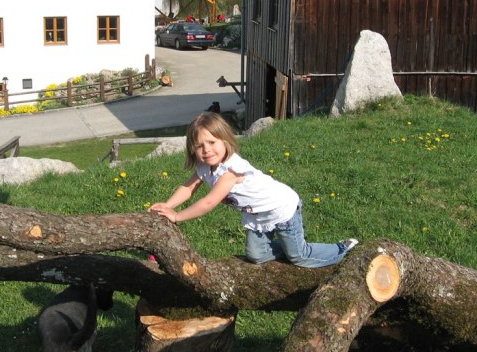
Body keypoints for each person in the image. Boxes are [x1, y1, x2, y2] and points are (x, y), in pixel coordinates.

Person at [149, 112, 358, 268]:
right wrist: (168, 205)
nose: (206, 150)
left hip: (282, 209)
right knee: (256, 256)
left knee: (299, 257)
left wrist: (176, 217)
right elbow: (188, 188)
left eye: (212, 142)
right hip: (259, 216)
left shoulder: (231, 170)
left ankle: (342, 249)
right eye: (199, 146)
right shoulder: (204, 167)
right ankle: (289, 245)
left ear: (225, 140)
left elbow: (209, 202)